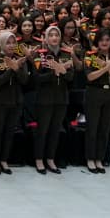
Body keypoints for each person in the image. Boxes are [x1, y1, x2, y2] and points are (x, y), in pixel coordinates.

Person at [30, 25, 72, 174]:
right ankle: (39, 159)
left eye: (57, 35)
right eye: (51, 35)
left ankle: (50, 159)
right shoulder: (40, 55)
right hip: (44, 98)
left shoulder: (66, 54)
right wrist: (55, 71)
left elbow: (70, 77)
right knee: (43, 130)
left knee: (55, 130)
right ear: (46, 39)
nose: (54, 37)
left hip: (61, 98)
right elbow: (37, 78)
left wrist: (62, 70)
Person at [0, 31, 28, 175]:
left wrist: (17, 68)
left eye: (13, 42)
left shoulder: (20, 59)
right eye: (8, 42)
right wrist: (11, 69)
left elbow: (25, 80)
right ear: (2, 44)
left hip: (15, 100)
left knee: (9, 132)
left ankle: (4, 160)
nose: (11, 45)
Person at [82, 28, 110, 173]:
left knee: (104, 129)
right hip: (94, 93)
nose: (104, 43)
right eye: (101, 40)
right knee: (92, 128)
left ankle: (99, 158)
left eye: (107, 40)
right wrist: (107, 67)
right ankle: (90, 158)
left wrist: (107, 67)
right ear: (97, 42)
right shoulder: (90, 56)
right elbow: (90, 77)